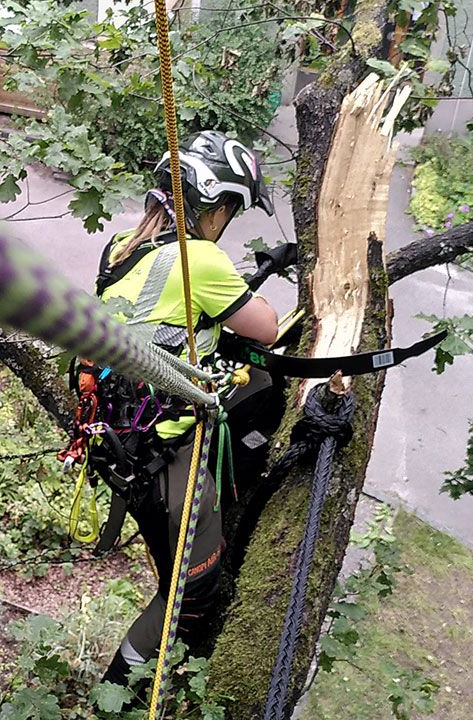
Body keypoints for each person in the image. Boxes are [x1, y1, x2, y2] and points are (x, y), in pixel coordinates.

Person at [88, 130, 281, 685]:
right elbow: (266, 328)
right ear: (212, 206)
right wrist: (250, 288)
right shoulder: (202, 260)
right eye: (229, 211)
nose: (227, 222)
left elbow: (164, 316)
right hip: (160, 448)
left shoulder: (122, 248)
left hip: (113, 436)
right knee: (192, 587)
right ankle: (119, 688)